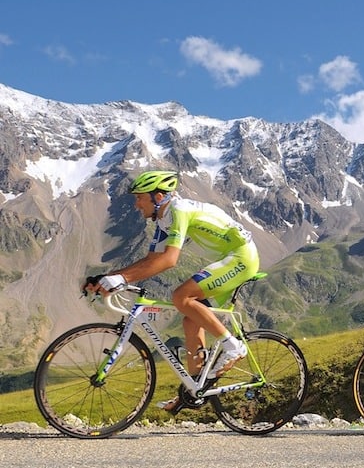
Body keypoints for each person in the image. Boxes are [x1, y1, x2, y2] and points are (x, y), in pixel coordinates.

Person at [84, 170, 260, 412]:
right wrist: (109, 277)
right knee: (190, 321)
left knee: (181, 296)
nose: (136, 204)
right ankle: (195, 390)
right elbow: (151, 259)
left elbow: (168, 260)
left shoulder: (178, 211)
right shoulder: (163, 219)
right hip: (226, 259)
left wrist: (121, 278)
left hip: (240, 257)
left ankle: (233, 347)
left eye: (140, 198)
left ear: (158, 196)